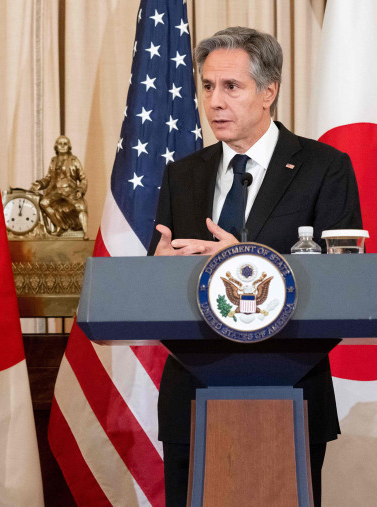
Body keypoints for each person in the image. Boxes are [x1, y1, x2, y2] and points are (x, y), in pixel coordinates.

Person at [147, 27, 362, 507]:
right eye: (207, 86)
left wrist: (239, 262)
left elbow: (345, 282)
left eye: (231, 87)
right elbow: (156, 283)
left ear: (269, 91)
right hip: (192, 392)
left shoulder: (324, 167)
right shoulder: (183, 174)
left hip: (291, 387)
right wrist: (156, 275)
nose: (214, 101)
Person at [31, 135, 89, 238]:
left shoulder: (74, 160)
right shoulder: (54, 160)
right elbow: (48, 178)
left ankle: (85, 233)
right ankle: (61, 226)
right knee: (44, 203)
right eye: (60, 144)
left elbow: (83, 178)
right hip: (56, 192)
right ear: (56, 146)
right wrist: (39, 184)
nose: (62, 146)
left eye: (65, 144)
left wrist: (80, 190)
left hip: (70, 191)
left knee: (80, 206)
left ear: (69, 146)